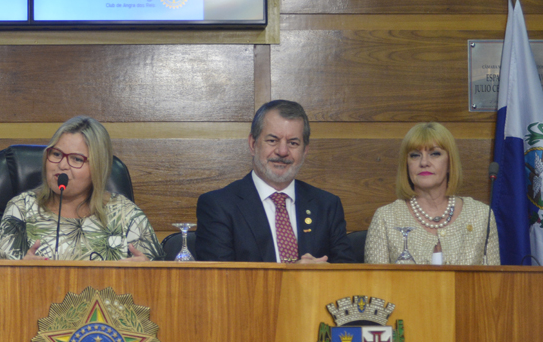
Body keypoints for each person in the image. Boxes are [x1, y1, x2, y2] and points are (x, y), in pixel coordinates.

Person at [195, 100, 353, 263]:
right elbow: (219, 280)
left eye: (293, 143)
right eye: (272, 140)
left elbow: (349, 276)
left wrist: (322, 276)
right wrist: (292, 277)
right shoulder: (219, 206)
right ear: (252, 144)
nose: (282, 151)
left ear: (305, 150)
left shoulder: (327, 205)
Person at [0, 116, 164, 261]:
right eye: (56, 154)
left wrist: (144, 272)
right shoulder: (21, 209)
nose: (62, 165)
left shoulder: (125, 214)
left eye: (76, 159)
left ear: (98, 167)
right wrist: (19, 271)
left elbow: (161, 282)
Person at [365, 122, 500, 265]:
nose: (424, 162)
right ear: (407, 164)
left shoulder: (481, 216)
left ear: (450, 162)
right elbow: (375, 285)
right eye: (415, 155)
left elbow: (493, 284)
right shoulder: (385, 218)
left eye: (435, 154)